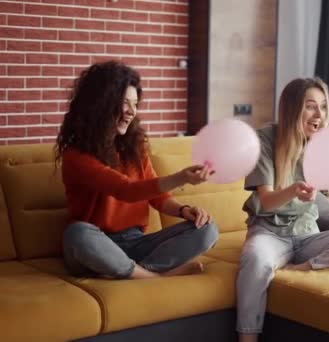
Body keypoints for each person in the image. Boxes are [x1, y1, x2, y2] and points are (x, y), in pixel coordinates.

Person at [237, 78, 329, 341]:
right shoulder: (265, 139)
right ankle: (247, 339)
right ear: (293, 109)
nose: (319, 115)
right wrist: (293, 189)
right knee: (255, 261)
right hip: (269, 233)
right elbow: (267, 201)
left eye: (324, 107)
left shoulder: (326, 146)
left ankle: (304, 267)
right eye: (311, 106)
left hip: (307, 236)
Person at [55, 60, 219, 280]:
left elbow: (157, 196)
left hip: (135, 242)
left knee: (208, 229)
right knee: (77, 234)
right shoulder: (76, 155)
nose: (132, 112)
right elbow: (126, 190)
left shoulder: (134, 146)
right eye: (124, 103)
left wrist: (184, 210)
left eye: (135, 104)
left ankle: (133, 272)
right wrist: (181, 177)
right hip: (96, 243)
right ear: (101, 104)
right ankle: (154, 277)